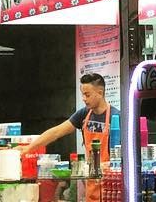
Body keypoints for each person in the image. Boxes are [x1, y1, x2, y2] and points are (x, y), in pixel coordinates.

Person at [20, 73, 120, 202]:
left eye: (87, 95)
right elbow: (56, 132)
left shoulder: (116, 117)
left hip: (111, 185)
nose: (84, 99)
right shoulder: (83, 114)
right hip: (91, 183)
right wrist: (28, 148)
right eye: (82, 94)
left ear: (100, 93)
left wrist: (107, 166)